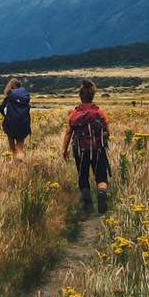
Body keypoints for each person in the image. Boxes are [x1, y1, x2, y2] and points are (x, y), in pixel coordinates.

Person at [61, 79, 110, 214]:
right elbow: (107, 131)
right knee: (101, 177)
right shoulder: (100, 113)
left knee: (83, 177)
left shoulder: (74, 115)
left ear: (80, 96)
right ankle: (102, 199)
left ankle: (88, 207)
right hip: (98, 149)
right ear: (92, 96)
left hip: (80, 150)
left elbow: (68, 133)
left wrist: (64, 149)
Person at [0, 78, 31, 162]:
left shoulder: (9, 96)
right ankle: (23, 166)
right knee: (20, 148)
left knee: (11, 148)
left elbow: (1, 109)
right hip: (24, 124)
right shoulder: (25, 97)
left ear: (10, 86)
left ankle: (12, 166)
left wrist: (7, 116)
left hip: (11, 124)